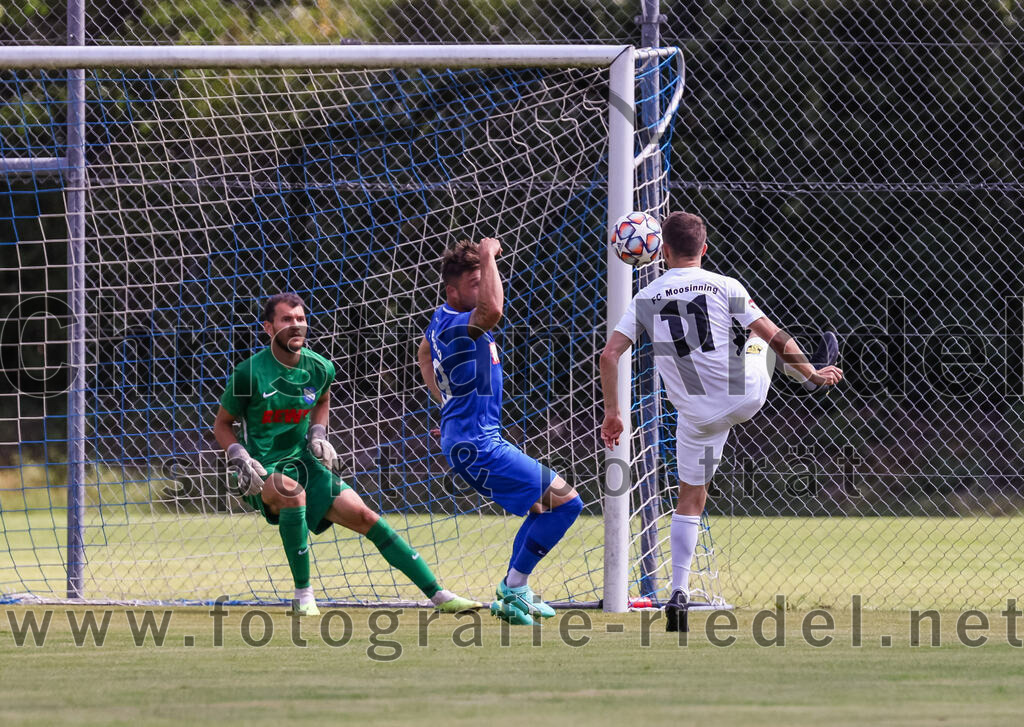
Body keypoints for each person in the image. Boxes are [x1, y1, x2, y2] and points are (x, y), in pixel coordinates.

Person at [599, 212, 843, 631]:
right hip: (741, 397)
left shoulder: (645, 298)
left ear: (664, 251)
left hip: (696, 416)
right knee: (757, 341)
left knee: (689, 499)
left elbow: (608, 355)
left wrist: (614, 413)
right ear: (705, 249)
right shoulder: (724, 284)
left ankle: (678, 590)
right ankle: (804, 379)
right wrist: (812, 373)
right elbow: (776, 336)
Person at [213, 292, 482, 616]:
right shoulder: (248, 373)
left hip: (307, 465)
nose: (296, 325)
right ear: (268, 327)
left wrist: (318, 434)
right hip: (262, 471)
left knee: (368, 517)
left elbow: (323, 400)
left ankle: (439, 595)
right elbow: (223, 425)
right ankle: (303, 596)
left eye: (300, 318)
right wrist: (240, 457)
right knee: (291, 493)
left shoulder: (320, 367)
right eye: (286, 319)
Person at [418, 238, 584, 626]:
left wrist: (444, 403)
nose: (485, 286)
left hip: (472, 439)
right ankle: (514, 588)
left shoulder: (443, 319)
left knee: (542, 507)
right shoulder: (462, 325)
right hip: (477, 444)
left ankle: (515, 592)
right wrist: (489, 253)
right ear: (452, 291)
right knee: (569, 502)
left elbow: (425, 354)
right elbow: (494, 309)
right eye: (475, 283)